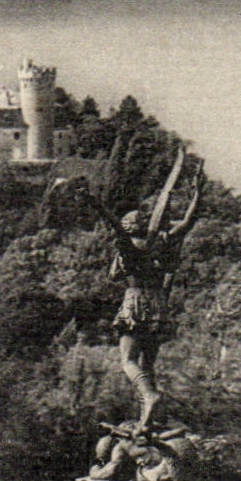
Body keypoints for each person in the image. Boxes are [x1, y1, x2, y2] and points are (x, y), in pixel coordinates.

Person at [75, 156, 203, 430]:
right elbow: (188, 222)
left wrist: (94, 203)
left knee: (128, 360)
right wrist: (198, 195)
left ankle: (149, 395)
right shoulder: (161, 243)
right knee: (148, 363)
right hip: (159, 304)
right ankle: (150, 417)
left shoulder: (130, 250)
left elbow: (114, 229)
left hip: (136, 302)